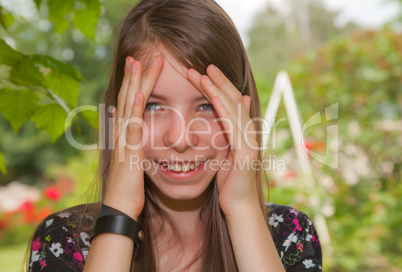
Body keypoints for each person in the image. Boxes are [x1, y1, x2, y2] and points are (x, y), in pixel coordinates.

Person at [26, 0, 322, 271]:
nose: (180, 138)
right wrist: (120, 208)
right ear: (119, 122)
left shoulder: (289, 236)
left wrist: (242, 209)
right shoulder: (64, 241)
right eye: (153, 106)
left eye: (206, 105)